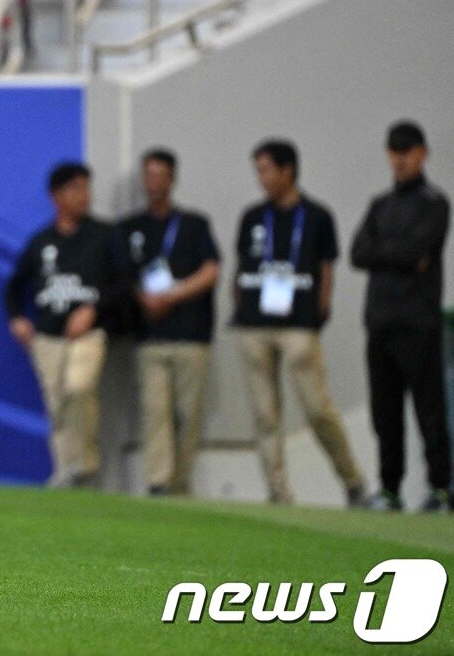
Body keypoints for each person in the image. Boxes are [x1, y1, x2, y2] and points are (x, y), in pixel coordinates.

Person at [232, 140, 365, 507]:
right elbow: (242, 266)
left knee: (317, 408)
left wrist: (319, 312)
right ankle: (278, 492)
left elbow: (326, 269)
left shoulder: (317, 216)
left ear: (287, 170)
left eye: (266, 170)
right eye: (258, 170)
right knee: (264, 414)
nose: (261, 178)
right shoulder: (253, 217)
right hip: (254, 325)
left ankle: (352, 481)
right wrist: (240, 305)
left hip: (298, 325)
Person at [351, 121, 452, 513]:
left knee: (429, 410)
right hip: (379, 322)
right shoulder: (380, 205)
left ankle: (440, 487)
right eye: (394, 152)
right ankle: (389, 488)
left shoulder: (435, 203)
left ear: (423, 153)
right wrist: (404, 256)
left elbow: (417, 250)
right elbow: (359, 253)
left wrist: (391, 253)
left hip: (419, 322)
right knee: (385, 413)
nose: (400, 159)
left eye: (407, 151)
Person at [5, 162, 123, 488]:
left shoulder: (104, 235)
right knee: (56, 403)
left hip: (89, 333)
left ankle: (85, 464)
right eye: (74, 188)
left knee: (78, 387)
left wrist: (94, 310)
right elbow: (14, 286)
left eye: (86, 187)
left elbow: (123, 284)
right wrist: (17, 318)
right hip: (47, 335)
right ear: (55, 196)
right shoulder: (41, 242)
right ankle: (65, 471)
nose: (83, 195)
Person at [116, 149, 220, 497]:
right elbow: (120, 276)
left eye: (161, 175)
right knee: (154, 411)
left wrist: (171, 296)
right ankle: (159, 482)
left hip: (191, 334)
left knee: (188, 413)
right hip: (151, 336)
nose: (154, 183)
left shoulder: (194, 224)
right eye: (149, 175)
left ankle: (181, 481)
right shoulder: (130, 228)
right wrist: (144, 299)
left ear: (172, 179)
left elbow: (211, 271)